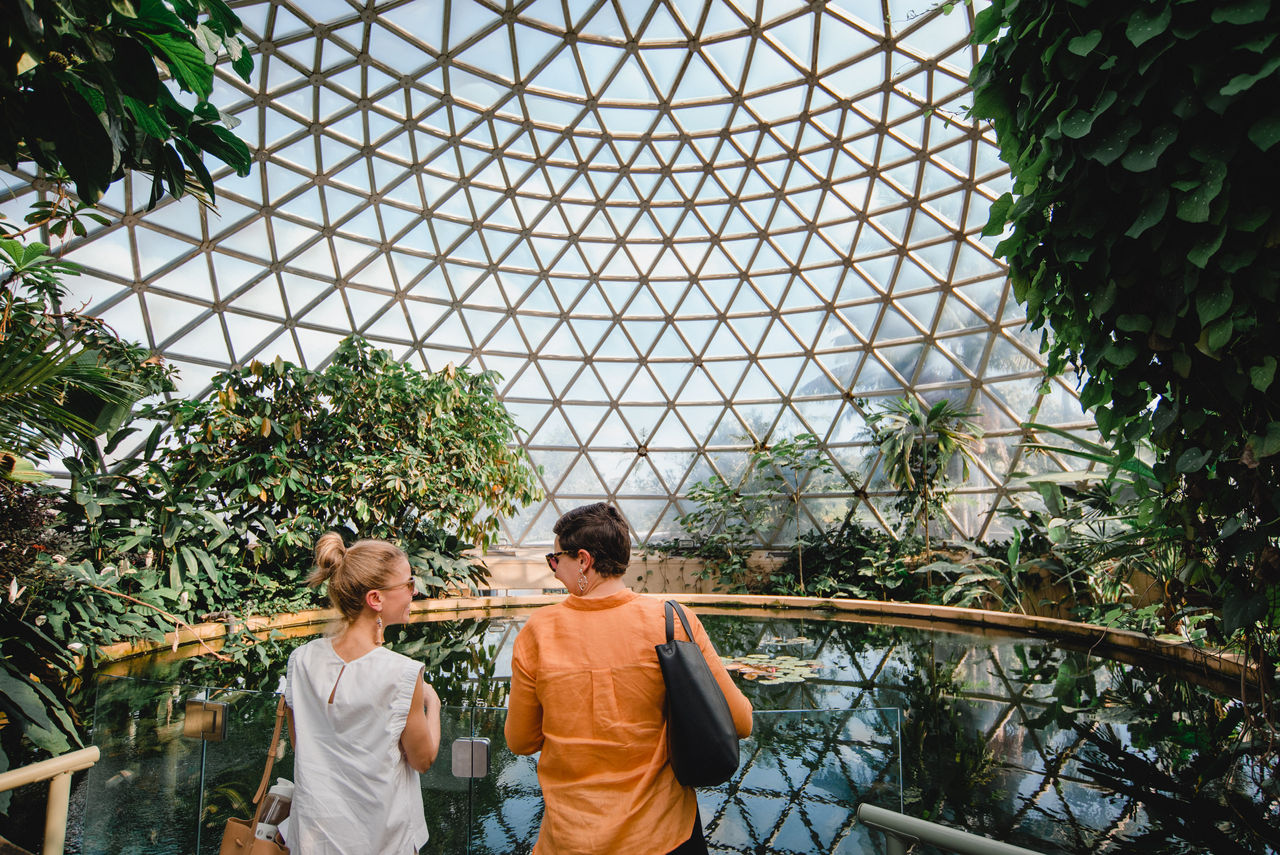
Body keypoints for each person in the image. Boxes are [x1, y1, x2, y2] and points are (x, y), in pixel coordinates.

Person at [505, 502, 753, 855]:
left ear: (584, 560)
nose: (554, 570)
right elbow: (740, 721)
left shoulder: (538, 632)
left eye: (556, 559)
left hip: (570, 840)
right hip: (666, 837)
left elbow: (520, 741)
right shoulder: (673, 621)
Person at [282, 533, 441, 854]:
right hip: (380, 840)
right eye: (408, 584)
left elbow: (303, 745)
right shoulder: (403, 674)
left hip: (314, 839)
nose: (415, 591)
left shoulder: (301, 659)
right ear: (375, 599)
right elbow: (423, 760)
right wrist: (433, 704)